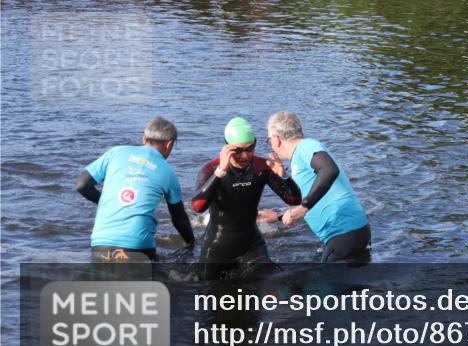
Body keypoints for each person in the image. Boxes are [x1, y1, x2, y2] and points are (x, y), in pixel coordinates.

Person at [191, 117, 301, 280]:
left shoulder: (262, 167)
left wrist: (284, 176)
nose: (244, 155)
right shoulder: (210, 169)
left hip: (251, 245)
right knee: (209, 295)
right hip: (217, 247)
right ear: (226, 147)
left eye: (250, 149)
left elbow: (294, 200)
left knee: (268, 287)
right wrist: (221, 171)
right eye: (237, 150)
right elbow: (198, 206)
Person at [75, 117, 195, 262]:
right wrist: (190, 243)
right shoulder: (168, 173)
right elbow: (178, 217)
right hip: (139, 247)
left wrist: (105, 202)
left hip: (101, 243)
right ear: (169, 144)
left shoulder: (115, 153)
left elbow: (82, 185)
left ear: (144, 139)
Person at [266, 112, 371, 262]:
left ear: (276, 139)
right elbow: (312, 196)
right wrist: (277, 216)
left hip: (344, 233)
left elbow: (329, 170)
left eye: (269, 140)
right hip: (351, 232)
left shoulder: (306, 146)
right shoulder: (299, 157)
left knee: (322, 284)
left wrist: (303, 208)